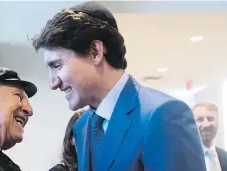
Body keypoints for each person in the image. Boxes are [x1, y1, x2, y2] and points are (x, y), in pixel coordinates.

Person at [32, 1, 206, 171]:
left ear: (95, 52)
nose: (53, 83)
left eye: (57, 66)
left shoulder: (163, 115)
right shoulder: (82, 126)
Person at [192, 102, 227, 171]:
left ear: (218, 123)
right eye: (200, 119)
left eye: (210, 119)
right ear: (192, 125)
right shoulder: (184, 158)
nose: (206, 124)